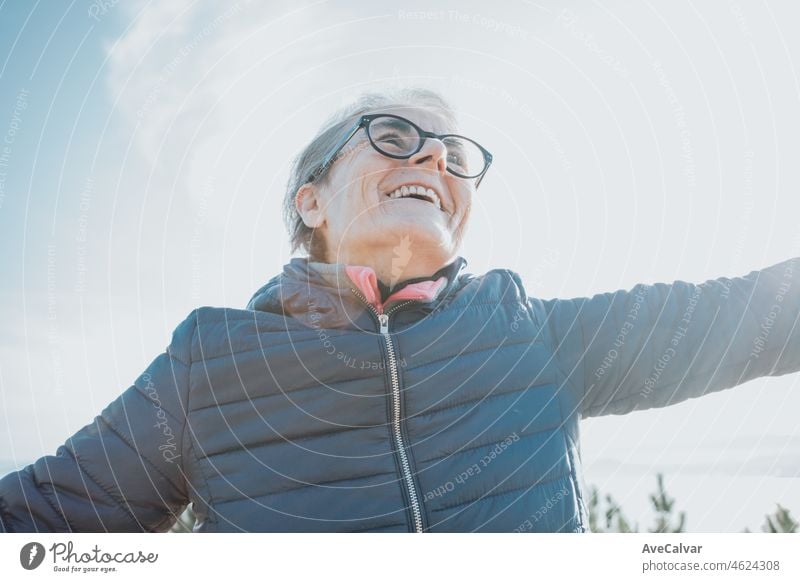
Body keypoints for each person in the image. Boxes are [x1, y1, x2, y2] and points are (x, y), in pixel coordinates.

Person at [1, 88, 798, 533]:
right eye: (393, 134)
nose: (433, 158)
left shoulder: (533, 336)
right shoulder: (209, 366)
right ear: (309, 200)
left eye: (455, 156)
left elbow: (756, 318)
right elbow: (36, 524)